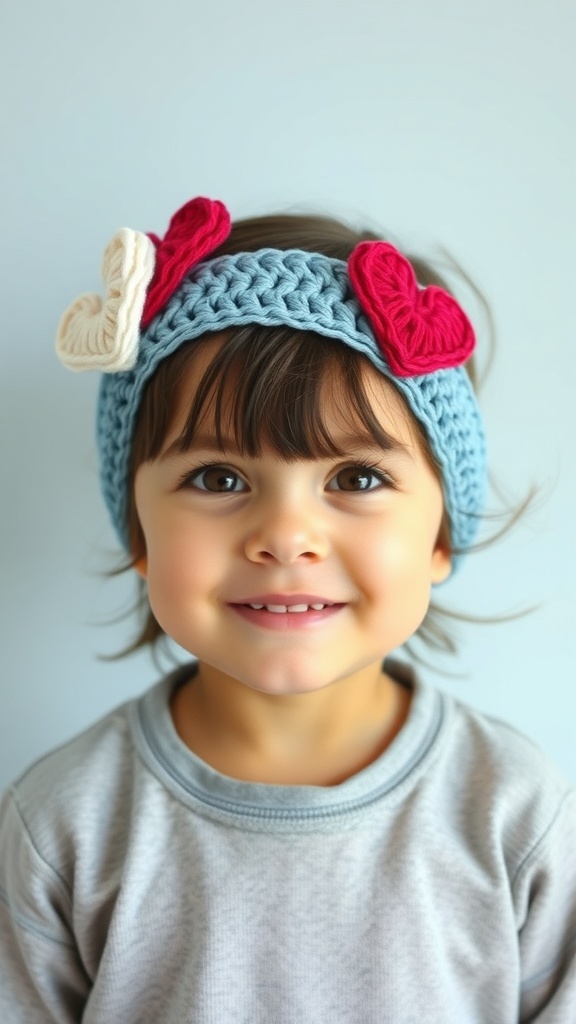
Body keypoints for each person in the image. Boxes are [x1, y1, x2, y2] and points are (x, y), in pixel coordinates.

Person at [0, 196, 574, 1023]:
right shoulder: (62, 829)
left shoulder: (518, 817)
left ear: (441, 537)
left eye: (357, 479)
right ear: (140, 534)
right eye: (219, 479)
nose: (286, 537)